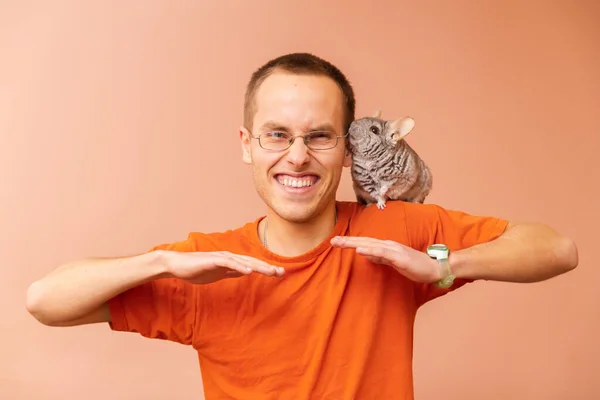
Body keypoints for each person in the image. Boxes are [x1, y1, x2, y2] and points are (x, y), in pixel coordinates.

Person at [26, 52, 578, 399]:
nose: (297, 156)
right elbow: (45, 300)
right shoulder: (205, 266)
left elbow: (557, 249)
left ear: (345, 149)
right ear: (247, 146)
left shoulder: (396, 234)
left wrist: (443, 263)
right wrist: (162, 261)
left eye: (319, 136)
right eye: (276, 135)